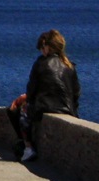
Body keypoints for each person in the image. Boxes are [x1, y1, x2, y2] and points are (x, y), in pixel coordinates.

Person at [19, 29, 80, 162]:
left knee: (22, 110)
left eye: (42, 47)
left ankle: (28, 147)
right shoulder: (70, 65)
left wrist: (26, 99)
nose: (41, 51)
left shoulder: (41, 63)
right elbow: (76, 94)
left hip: (45, 107)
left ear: (47, 46)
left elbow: (31, 90)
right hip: (67, 109)